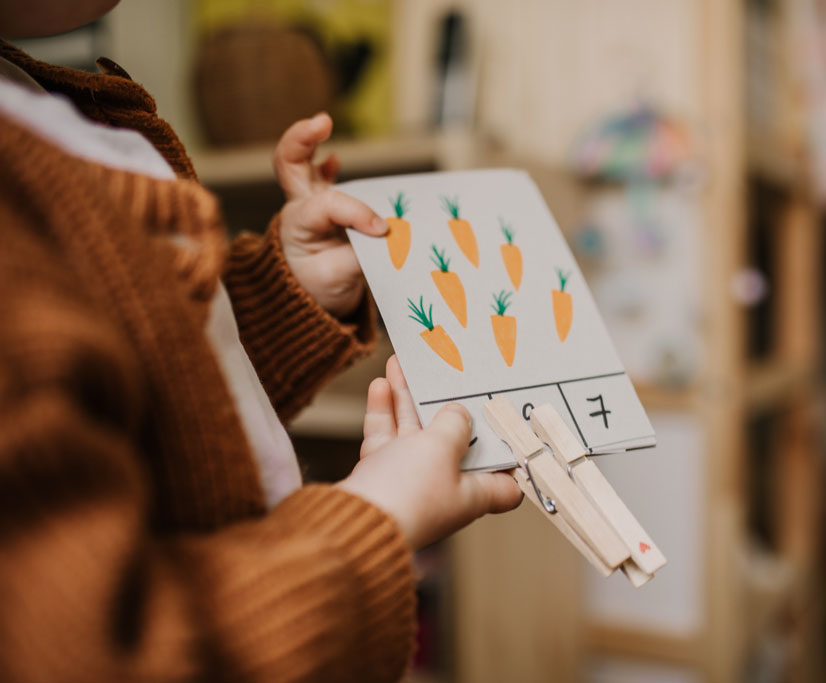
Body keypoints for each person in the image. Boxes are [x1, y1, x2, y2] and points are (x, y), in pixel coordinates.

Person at [0, 1, 521, 681]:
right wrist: (373, 522)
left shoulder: (45, 107)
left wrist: (290, 290)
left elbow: (163, 396)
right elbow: (99, 651)